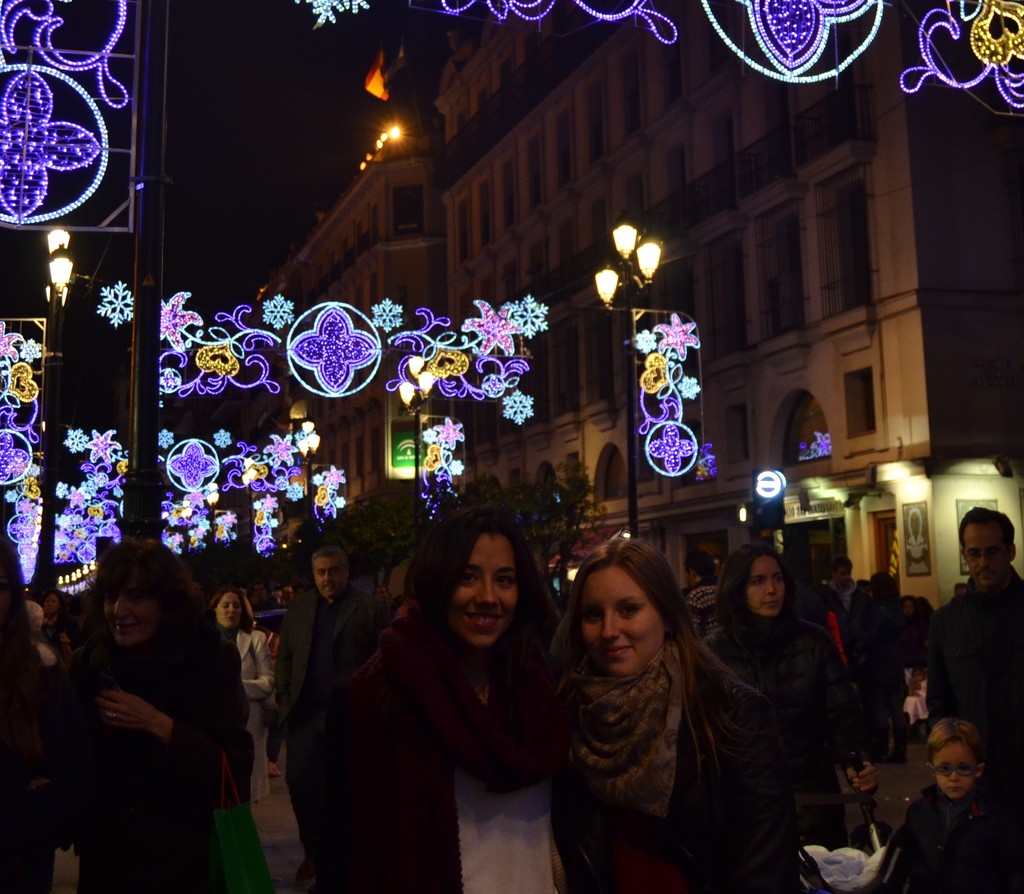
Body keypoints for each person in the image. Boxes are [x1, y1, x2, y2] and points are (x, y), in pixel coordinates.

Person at [319, 506, 569, 894]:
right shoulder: (373, 698)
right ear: (438, 582)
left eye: (505, 579)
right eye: (468, 577)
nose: (488, 597)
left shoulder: (546, 687)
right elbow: (343, 860)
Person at [556, 537, 799, 893]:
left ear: (667, 615)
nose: (608, 631)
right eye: (593, 614)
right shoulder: (570, 715)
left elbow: (765, 869)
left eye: (628, 609)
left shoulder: (731, 713)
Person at [68, 539, 252, 894]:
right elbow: (68, 760)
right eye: (110, 597)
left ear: (168, 603)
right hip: (109, 861)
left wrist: (158, 724)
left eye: (136, 597)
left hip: (186, 860)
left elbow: (236, 767)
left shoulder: (211, 659)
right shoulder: (89, 664)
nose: (118, 611)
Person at [709, 541, 877, 850]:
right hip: (746, 808)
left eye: (777, 578)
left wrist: (858, 762)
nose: (771, 589)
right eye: (757, 581)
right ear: (737, 588)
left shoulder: (813, 642)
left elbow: (843, 715)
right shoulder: (715, 653)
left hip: (813, 801)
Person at [275, 544, 389, 884]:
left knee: (347, 791)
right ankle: (313, 851)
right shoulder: (298, 607)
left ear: (346, 570)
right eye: (322, 572)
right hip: (305, 716)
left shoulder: (370, 608)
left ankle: (342, 857)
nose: (328, 578)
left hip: (351, 718)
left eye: (334, 570)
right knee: (301, 785)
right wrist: (284, 698)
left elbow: (384, 658)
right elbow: (286, 657)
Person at [1, 538, 94, 894]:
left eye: (0, 586)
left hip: (17, 865)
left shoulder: (41, 670)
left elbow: (75, 772)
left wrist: (33, 810)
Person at [927, 506, 1024, 825]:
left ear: (1010, 551)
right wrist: (951, 764)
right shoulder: (945, 622)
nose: (983, 562)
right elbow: (939, 704)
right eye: (974, 553)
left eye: (992, 552)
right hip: (975, 785)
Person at [888, 717, 1024, 893]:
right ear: (932, 770)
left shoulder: (996, 819)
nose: (954, 777)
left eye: (964, 768)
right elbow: (905, 857)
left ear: (979, 770)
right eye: (944, 768)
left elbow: (1017, 868)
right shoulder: (919, 813)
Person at [209, 586, 275, 802]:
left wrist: (234, 686)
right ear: (215, 609)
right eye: (225, 605)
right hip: (212, 724)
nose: (231, 610)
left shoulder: (255, 639)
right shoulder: (205, 641)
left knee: (244, 789)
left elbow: (267, 682)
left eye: (236, 606)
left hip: (248, 722)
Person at [863, 572, 908, 762]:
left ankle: (880, 748)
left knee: (880, 706)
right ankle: (900, 749)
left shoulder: (876, 608)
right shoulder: (896, 606)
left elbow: (870, 636)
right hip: (894, 658)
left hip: (878, 660)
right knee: (895, 704)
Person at [817, 556, 870, 684]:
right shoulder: (827, 596)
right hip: (839, 647)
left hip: (858, 649)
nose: (847, 577)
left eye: (848, 573)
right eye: (843, 573)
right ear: (834, 574)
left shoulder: (860, 595)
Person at [682, 548, 719, 640]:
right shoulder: (724, 589)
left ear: (692, 573)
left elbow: (692, 633)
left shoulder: (696, 596)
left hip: (708, 650)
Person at [39, 589, 83, 665]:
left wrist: (68, 642)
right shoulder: (39, 623)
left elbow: (78, 645)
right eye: (47, 601)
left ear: (59, 605)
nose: (49, 604)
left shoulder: (69, 623)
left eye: (53, 601)